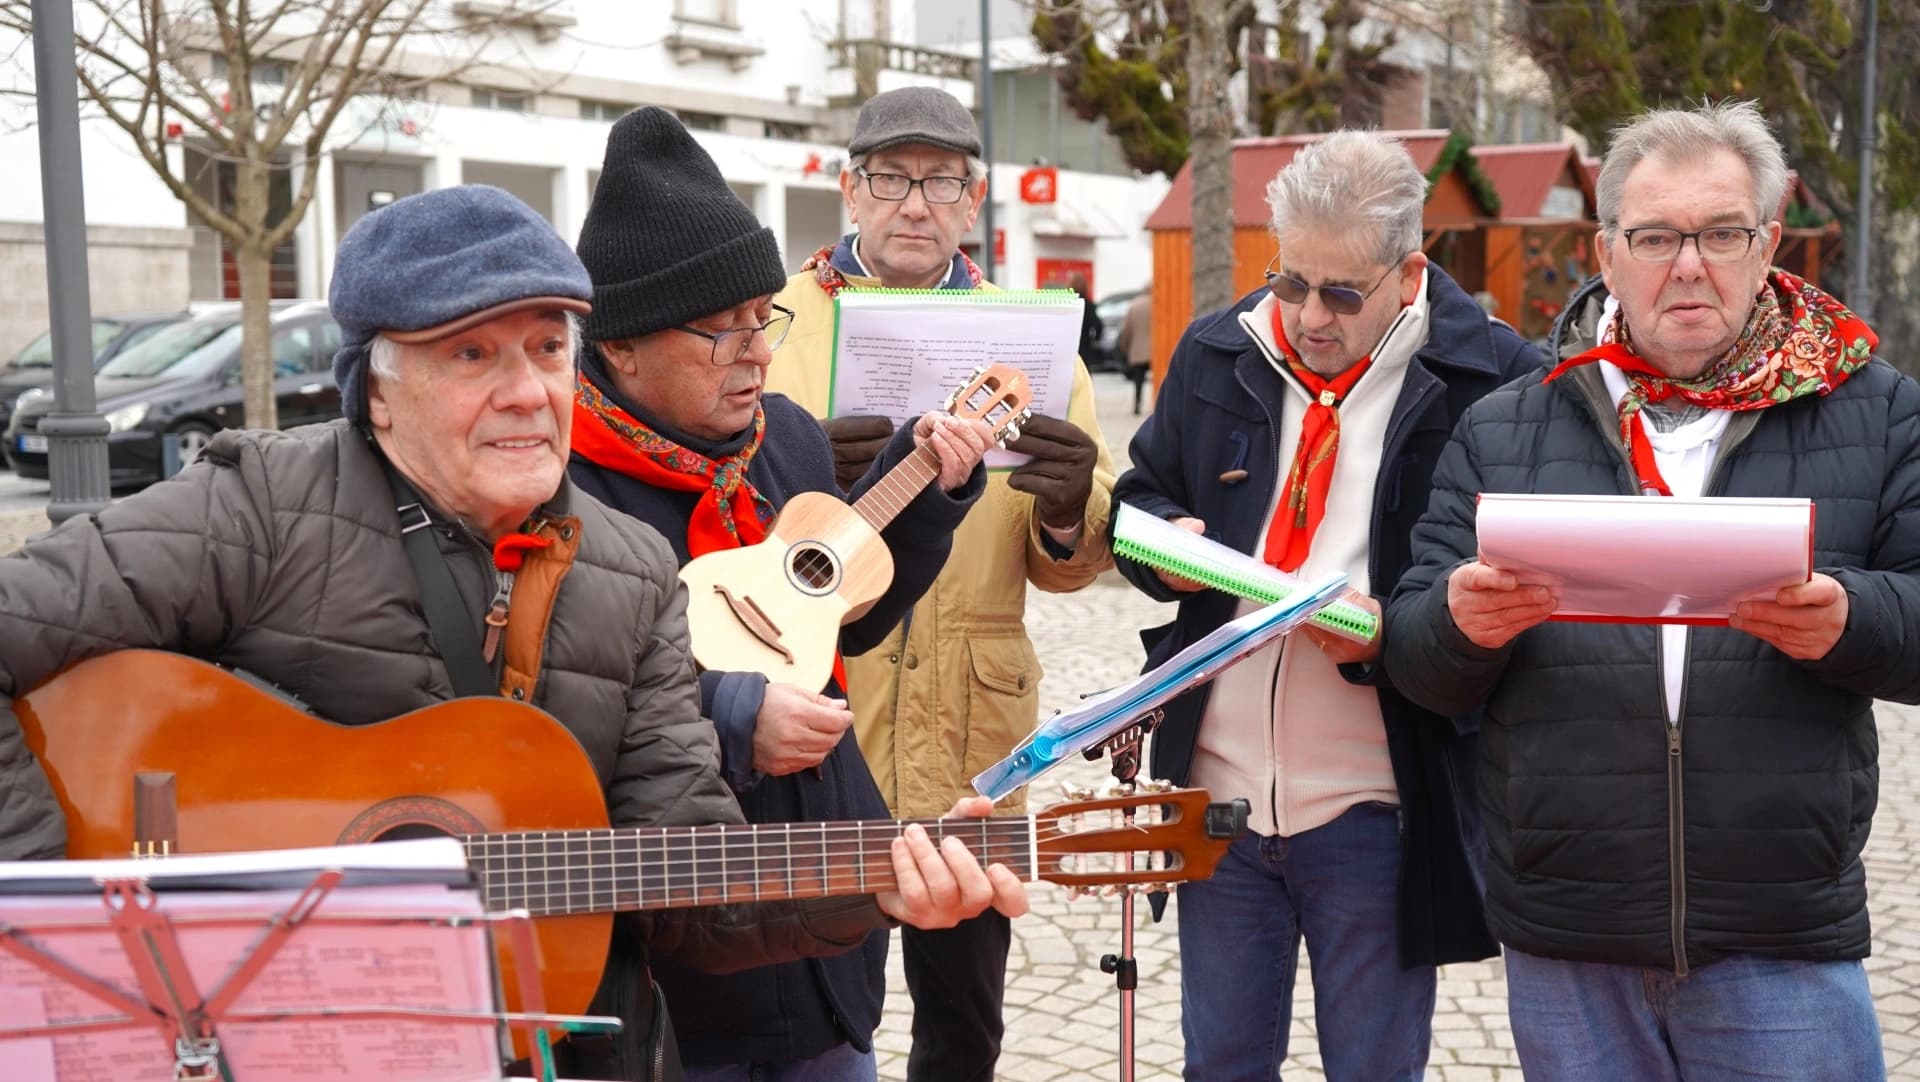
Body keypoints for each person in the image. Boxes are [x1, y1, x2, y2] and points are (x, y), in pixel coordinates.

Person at [0, 185, 1027, 1082]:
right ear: (379, 388)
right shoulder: (261, 508)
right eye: (473, 353)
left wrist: (882, 885)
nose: (528, 390)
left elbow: (694, 880)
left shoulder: (629, 573)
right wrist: (60, 907)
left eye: (546, 348)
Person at [1384, 101, 1917, 1081]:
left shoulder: (1876, 410)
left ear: (1765, 244)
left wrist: (1852, 617)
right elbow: (1416, 656)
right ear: (1608, 248)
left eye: (1720, 233)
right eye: (1657, 235)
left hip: (1779, 921)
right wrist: (1461, 626)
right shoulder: (1505, 428)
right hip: (1569, 926)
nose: (1687, 264)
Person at [563, 106, 1001, 1082]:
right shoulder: (561, 488)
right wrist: (729, 712)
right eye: (722, 332)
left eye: (766, 316)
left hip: (827, 937)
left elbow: (842, 613)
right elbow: (563, 696)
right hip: (673, 974)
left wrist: (926, 493)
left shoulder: (786, 440)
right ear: (622, 345)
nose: (757, 351)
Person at [1112, 130, 1538, 1080]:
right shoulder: (1219, 348)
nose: (1308, 314)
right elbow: (1139, 494)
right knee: (1220, 1062)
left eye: (1342, 292)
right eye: (1290, 280)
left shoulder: (1498, 382)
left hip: (1380, 801)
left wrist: (1398, 635)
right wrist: (1168, 545)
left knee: (1376, 1066)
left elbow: (1517, 600)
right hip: (1216, 792)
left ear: (1409, 272)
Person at [762, 85, 1116, 1082]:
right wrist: (804, 481)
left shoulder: (1035, 342)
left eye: (942, 180)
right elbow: (728, 521)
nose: (915, 203)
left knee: (965, 1025)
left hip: (976, 734)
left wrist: (1063, 505)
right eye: (890, 177)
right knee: (827, 1007)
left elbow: (1068, 561)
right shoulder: (776, 322)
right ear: (849, 188)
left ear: (973, 200)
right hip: (829, 720)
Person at [1115, 282, 1154, 415]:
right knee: (1159, 378)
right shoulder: (1157, 304)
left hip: (1138, 349)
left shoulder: (1134, 305)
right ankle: (1157, 403)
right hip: (1155, 349)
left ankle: (1137, 404)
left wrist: (1124, 346)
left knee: (1139, 379)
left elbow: (1126, 329)